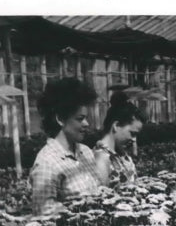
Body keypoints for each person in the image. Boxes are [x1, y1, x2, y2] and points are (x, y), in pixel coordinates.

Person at [30, 78, 101, 215]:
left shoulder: (85, 152)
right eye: (80, 119)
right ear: (60, 119)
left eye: (86, 118)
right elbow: (44, 215)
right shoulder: (47, 163)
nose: (87, 123)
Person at [94, 91, 147, 187]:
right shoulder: (101, 159)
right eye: (132, 133)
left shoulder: (122, 154)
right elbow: (101, 198)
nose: (134, 139)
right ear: (116, 126)